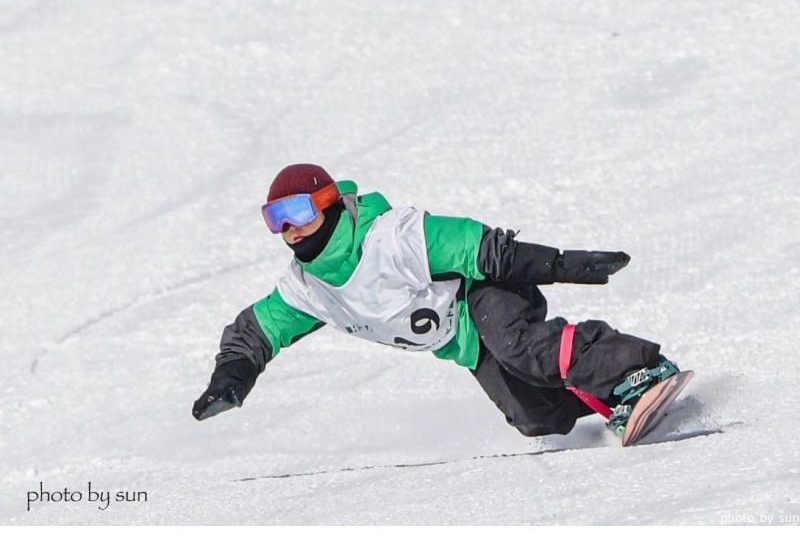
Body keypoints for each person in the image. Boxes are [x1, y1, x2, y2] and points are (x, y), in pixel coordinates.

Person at [192, 163, 680, 438]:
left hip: (483, 291)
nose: (288, 229)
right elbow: (254, 332)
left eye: (296, 211)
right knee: (535, 418)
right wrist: (230, 379)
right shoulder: (307, 287)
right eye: (274, 218)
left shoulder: (391, 237)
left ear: (329, 205)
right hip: (463, 339)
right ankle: (608, 398)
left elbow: (481, 248)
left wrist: (563, 264)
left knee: (520, 346)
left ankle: (637, 370)